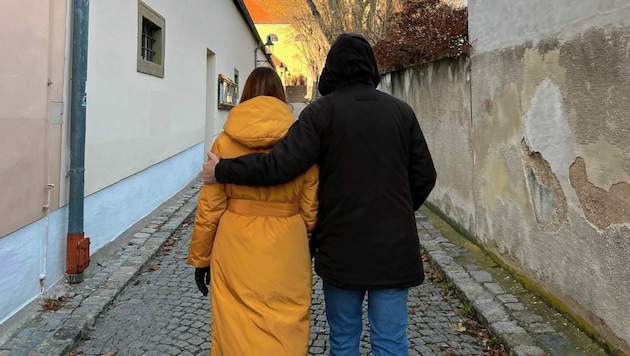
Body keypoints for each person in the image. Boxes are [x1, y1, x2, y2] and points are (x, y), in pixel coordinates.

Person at [203, 33, 436, 355]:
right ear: (371, 67)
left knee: (343, 338)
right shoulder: (401, 112)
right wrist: (395, 211)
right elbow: (425, 176)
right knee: (391, 342)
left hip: (341, 244)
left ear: (332, 69)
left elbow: (280, 167)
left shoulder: (321, 113)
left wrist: (223, 170)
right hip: (394, 246)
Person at [187, 66, 319, 355]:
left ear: (245, 94)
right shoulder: (300, 143)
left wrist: (201, 258)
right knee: (287, 318)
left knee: (235, 322)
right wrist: (304, 238)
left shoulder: (224, 142)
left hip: (236, 243)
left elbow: (210, 208)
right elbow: (310, 207)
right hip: (287, 241)